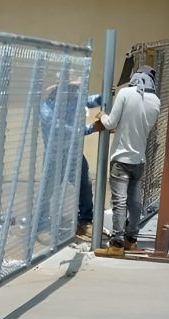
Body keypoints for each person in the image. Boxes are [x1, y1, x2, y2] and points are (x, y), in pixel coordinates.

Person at [93, 65, 161, 257]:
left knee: (119, 201)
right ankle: (131, 240)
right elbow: (140, 125)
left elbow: (111, 123)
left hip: (121, 159)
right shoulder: (156, 101)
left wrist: (102, 115)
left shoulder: (125, 93)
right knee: (135, 201)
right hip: (139, 159)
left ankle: (116, 244)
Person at [36, 81, 101, 244]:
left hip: (74, 154)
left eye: (75, 89)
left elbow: (91, 100)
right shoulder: (46, 108)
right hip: (55, 157)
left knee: (85, 185)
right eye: (71, 89)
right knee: (47, 191)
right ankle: (41, 226)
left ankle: (84, 221)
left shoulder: (74, 100)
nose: (75, 92)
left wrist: (106, 95)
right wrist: (91, 128)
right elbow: (62, 130)